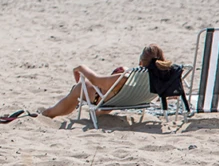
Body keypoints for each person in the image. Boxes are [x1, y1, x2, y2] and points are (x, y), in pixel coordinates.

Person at [34, 44, 172, 119]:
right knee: (118, 76)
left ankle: (48, 114)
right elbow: (174, 94)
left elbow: (95, 79)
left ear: (141, 61)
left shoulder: (125, 76)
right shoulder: (162, 76)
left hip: (103, 98)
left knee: (78, 89)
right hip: (129, 99)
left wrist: (81, 68)